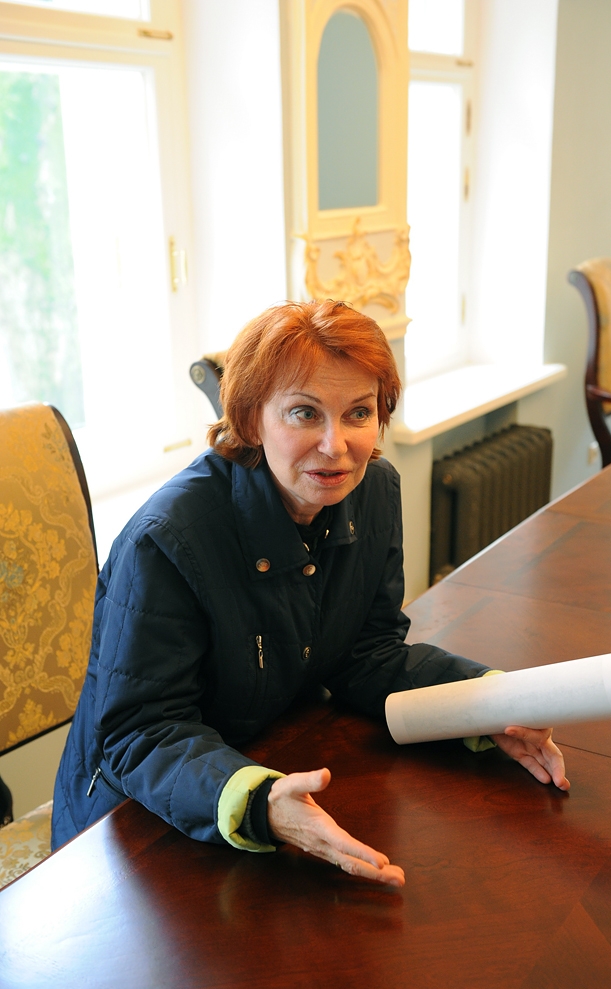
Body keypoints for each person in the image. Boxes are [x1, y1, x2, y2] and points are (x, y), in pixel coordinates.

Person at [52, 300, 569, 886]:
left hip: (273, 760)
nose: (335, 445)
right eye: (304, 413)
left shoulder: (373, 491)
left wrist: (493, 704)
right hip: (128, 834)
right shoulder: (168, 539)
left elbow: (368, 653)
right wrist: (259, 802)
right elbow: (140, 733)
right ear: (250, 421)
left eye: (359, 413)